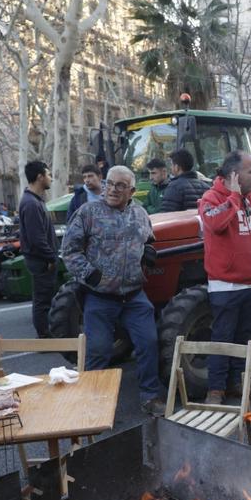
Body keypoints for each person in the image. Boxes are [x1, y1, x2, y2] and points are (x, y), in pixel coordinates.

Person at [60, 165, 164, 414]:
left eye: (120, 186)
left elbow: (148, 239)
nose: (113, 190)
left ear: (132, 191)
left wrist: (149, 253)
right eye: (109, 183)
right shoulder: (88, 212)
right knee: (99, 350)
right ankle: (94, 403)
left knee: (149, 342)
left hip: (134, 295)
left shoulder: (139, 213)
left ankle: (150, 396)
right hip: (100, 296)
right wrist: (90, 275)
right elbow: (69, 250)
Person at [197, 150, 251, 405]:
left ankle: (235, 385)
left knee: (243, 337)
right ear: (234, 175)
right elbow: (215, 224)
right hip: (226, 285)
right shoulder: (210, 199)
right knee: (223, 338)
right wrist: (233, 196)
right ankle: (216, 390)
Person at [17, 161, 59, 338]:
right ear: (40, 177)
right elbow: (37, 239)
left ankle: (46, 334)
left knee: (46, 298)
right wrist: (51, 258)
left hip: (42, 259)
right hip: (41, 261)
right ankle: (44, 337)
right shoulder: (31, 204)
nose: (51, 178)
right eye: (48, 174)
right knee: (42, 301)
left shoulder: (35, 201)